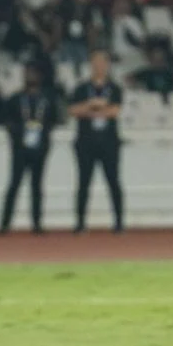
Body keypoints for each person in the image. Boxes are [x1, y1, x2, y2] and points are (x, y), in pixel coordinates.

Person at [69, 50, 125, 233]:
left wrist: (93, 111)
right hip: (86, 141)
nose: (99, 66)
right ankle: (80, 222)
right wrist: (94, 106)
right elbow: (74, 110)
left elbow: (114, 111)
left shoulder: (114, 88)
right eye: (96, 63)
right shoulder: (81, 88)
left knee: (113, 181)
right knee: (84, 182)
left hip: (109, 141)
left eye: (102, 62)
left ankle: (118, 221)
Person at [0, 65, 58, 234]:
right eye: (27, 73)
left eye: (33, 73)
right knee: (14, 184)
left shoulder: (47, 99)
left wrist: (42, 134)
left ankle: (37, 223)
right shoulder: (16, 99)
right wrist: (17, 133)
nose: (30, 76)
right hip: (20, 148)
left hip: (40, 147)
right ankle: (5, 223)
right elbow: (6, 119)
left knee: (37, 186)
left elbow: (53, 120)